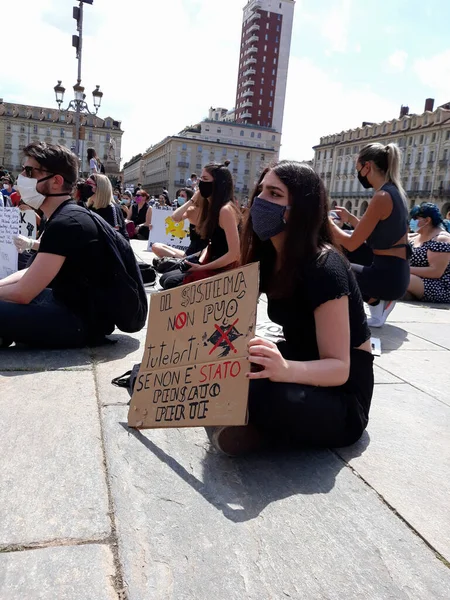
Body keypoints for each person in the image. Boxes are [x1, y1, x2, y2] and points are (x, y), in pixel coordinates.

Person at [208, 161, 374, 457]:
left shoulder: (325, 267)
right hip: (299, 363)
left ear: (301, 208)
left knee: (264, 393)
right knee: (227, 368)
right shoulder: (271, 257)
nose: (260, 201)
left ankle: (257, 428)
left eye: (274, 194)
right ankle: (255, 426)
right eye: (260, 191)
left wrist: (283, 368)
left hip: (342, 397)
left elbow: (339, 368)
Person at [0, 142, 121, 348]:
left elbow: (23, 293)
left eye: (29, 171)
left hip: (77, 322)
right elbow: (32, 272)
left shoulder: (66, 223)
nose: (21, 177)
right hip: (73, 309)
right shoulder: (64, 215)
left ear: (56, 181)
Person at [330, 143, 410, 328]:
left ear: (368, 167)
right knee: (345, 256)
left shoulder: (382, 196)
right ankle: (377, 302)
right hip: (396, 272)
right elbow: (379, 233)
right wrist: (350, 218)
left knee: (334, 269)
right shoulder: (395, 192)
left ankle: (361, 309)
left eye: (358, 169)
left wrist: (326, 222)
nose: (358, 174)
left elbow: (351, 243)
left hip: (388, 277)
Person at [159, 161, 241, 289]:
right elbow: (175, 218)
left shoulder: (226, 210)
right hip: (209, 260)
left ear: (218, 184)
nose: (199, 183)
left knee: (170, 282)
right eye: (200, 179)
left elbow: (234, 254)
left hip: (223, 268)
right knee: (165, 278)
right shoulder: (210, 207)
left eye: (204, 179)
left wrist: (201, 267)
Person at [407, 203, 450, 303]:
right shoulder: (416, 236)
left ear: (427, 220)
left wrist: (404, 269)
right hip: (417, 278)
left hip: (439, 285)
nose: (412, 221)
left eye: (415, 218)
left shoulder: (441, 239)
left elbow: (435, 272)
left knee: (399, 277)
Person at [152, 188, 208, 259]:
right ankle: (184, 261)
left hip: (204, 254)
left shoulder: (215, 211)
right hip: (190, 253)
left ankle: (184, 261)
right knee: (156, 246)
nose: (179, 198)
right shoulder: (191, 210)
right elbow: (175, 217)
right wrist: (191, 201)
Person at [87, 174, 129, 240]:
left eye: (88, 184)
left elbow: (114, 237)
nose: (85, 186)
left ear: (100, 188)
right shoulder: (90, 207)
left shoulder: (112, 209)